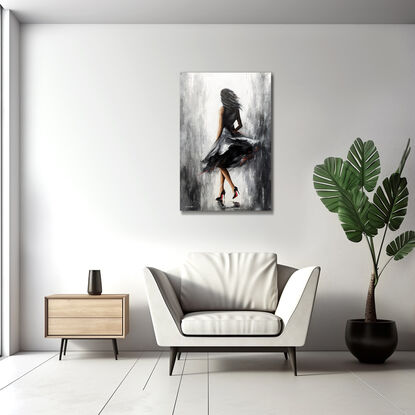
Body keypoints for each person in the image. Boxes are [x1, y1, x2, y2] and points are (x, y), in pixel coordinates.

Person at [201, 88, 259, 206]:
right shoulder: (236, 109)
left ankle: (233, 188)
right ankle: (221, 192)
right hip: (233, 138)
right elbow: (240, 125)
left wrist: (217, 142)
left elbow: (220, 128)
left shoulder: (222, 110)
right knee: (222, 164)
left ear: (223, 98)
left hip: (225, 139)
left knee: (218, 163)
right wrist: (234, 130)